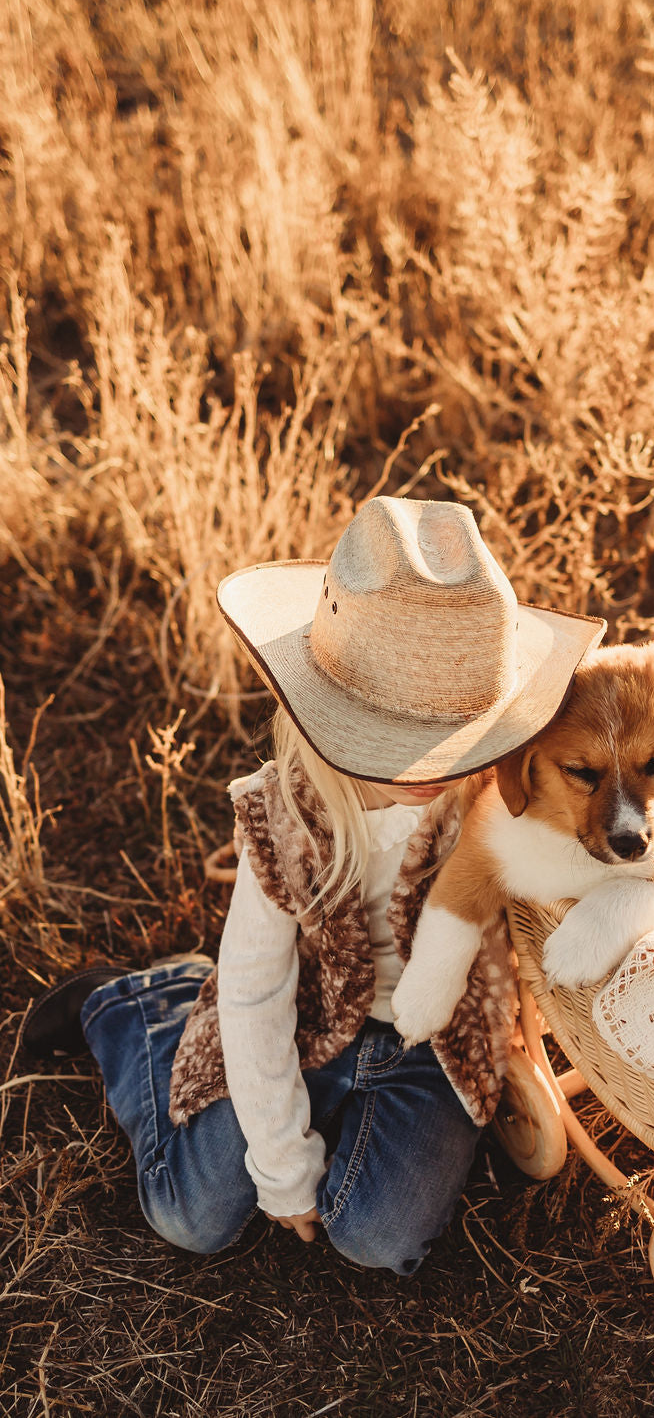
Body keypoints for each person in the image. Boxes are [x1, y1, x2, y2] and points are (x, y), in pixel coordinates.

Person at [23, 496, 605, 1273]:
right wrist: (283, 1159)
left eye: (454, 738)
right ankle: (138, 1010)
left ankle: (347, 1113)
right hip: (302, 1013)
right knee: (193, 1214)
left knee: (381, 1238)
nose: (430, 772)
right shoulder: (286, 813)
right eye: (406, 740)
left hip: (431, 1041)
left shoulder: (507, 797)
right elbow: (260, 991)